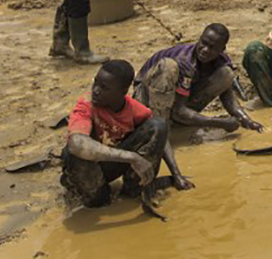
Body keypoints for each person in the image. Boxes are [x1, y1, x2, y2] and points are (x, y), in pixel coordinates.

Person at [61, 60, 188, 207]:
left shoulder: (134, 109)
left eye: (104, 87)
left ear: (122, 92)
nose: (95, 90)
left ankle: (136, 187)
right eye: (96, 83)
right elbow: (76, 144)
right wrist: (132, 158)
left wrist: (177, 175)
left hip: (109, 164)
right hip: (85, 170)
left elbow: (161, 136)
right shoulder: (87, 104)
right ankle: (94, 194)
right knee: (98, 201)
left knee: (158, 125)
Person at [134, 23, 263, 134]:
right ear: (199, 39)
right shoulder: (185, 61)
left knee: (226, 74)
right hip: (146, 99)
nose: (205, 50)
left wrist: (247, 121)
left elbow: (228, 97)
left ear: (221, 50)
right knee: (169, 67)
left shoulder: (220, 61)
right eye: (203, 43)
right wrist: (218, 123)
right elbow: (178, 111)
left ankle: (179, 123)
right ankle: (159, 127)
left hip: (176, 99)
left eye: (212, 47)